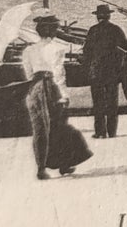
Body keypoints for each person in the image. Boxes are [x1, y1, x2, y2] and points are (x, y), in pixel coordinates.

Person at [21, 12, 92, 179]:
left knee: (39, 129)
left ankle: (41, 168)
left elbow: (29, 74)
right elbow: (58, 72)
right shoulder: (58, 49)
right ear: (53, 31)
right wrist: (63, 95)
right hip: (51, 88)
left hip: (34, 89)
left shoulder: (29, 50)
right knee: (59, 126)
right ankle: (64, 163)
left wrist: (37, 85)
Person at [82, 2, 127, 140]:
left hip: (96, 73)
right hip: (112, 72)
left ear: (97, 17)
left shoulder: (92, 30)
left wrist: (88, 67)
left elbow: (86, 52)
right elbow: (126, 47)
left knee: (98, 103)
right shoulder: (116, 29)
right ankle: (112, 132)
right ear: (108, 16)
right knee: (112, 103)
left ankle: (100, 132)